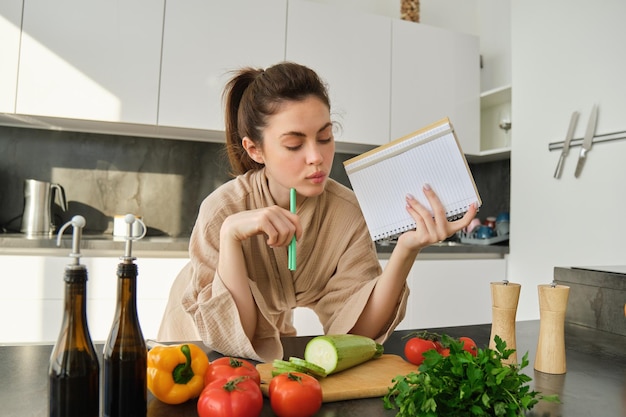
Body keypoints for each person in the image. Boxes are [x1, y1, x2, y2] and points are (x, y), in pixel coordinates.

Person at [157, 62, 477, 362]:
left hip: (273, 331)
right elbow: (232, 334)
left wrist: (407, 249)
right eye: (295, 144)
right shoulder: (221, 211)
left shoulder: (347, 213)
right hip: (195, 338)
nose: (317, 157)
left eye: (325, 137)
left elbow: (356, 334)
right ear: (255, 149)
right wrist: (230, 236)